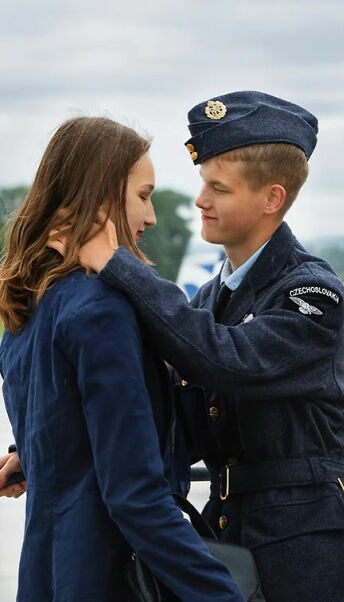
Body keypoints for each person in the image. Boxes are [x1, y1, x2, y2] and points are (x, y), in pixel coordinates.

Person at [59, 92, 344, 602]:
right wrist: (50, 452)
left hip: (300, 544)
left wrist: (117, 262)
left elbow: (228, 360)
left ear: (271, 199)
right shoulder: (211, 299)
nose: (200, 200)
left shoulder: (313, 293)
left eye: (218, 188)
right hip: (227, 526)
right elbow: (167, 413)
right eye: (202, 184)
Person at [0, 117, 242, 601]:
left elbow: (64, 429)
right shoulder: (100, 310)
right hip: (107, 577)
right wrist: (220, 593)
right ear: (105, 196)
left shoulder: (25, 308)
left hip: (45, 573)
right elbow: (135, 497)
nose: (151, 217)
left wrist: (33, 456)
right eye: (144, 195)